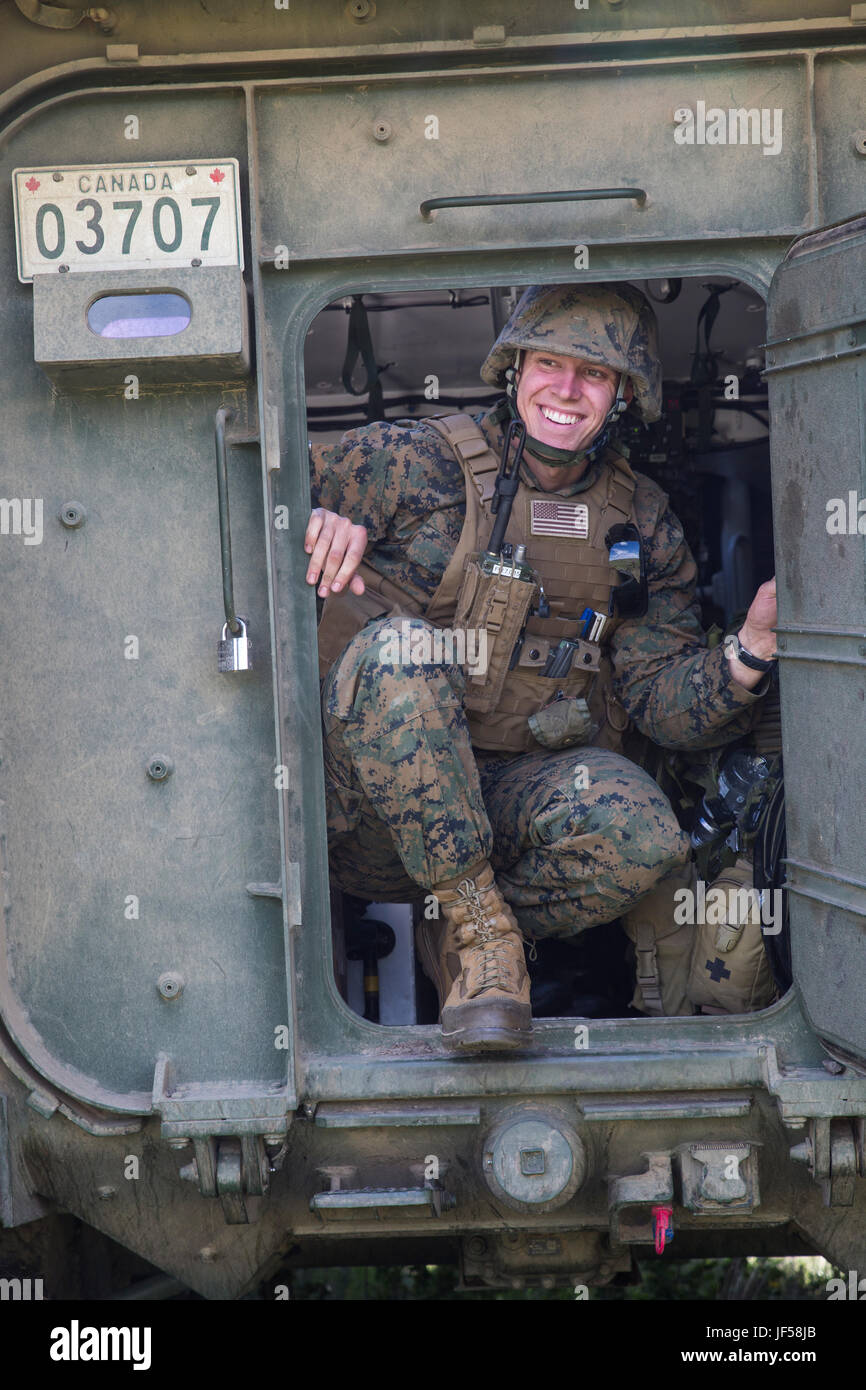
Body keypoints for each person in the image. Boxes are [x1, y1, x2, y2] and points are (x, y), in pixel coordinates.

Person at [305, 282, 778, 1053]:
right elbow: (243, 497)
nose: (566, 389)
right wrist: (309, 520)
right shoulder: (412, 463)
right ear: (515, 366)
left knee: (643, 833)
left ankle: (471, 926)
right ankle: (483, 935)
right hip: (363, 811)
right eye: (550, 363)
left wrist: (751, 649)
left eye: (593, 374)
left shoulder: (642, 520)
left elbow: (662, 703)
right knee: (400, 650)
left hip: (506, 809)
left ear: (624, 393)